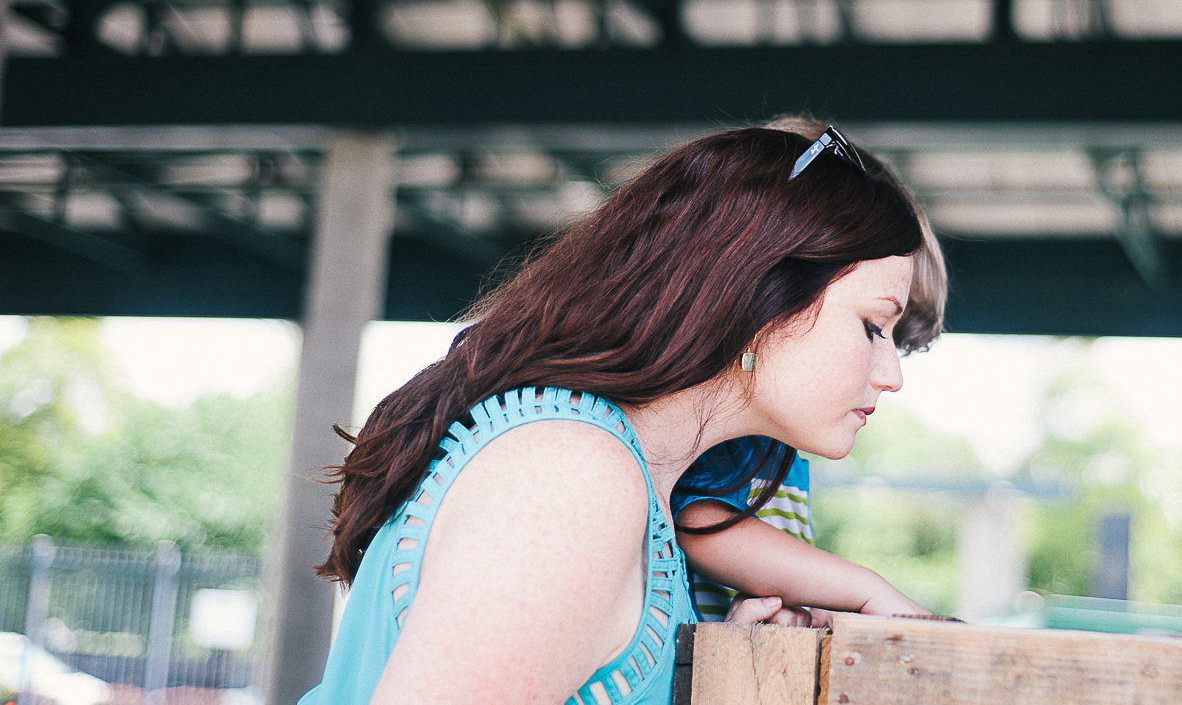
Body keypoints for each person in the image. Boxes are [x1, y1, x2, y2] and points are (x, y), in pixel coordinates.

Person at [298, 123, 940, 705]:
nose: (892, 374)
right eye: (873, 326)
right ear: (759, 305)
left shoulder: (619, 480)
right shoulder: (570, 482)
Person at [671, 118, 947, 624]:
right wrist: (862, 591)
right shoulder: (733, 420)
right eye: (872, 326)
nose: (888, 375)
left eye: (897, 340)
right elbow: (698, 518)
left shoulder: (783, 438)